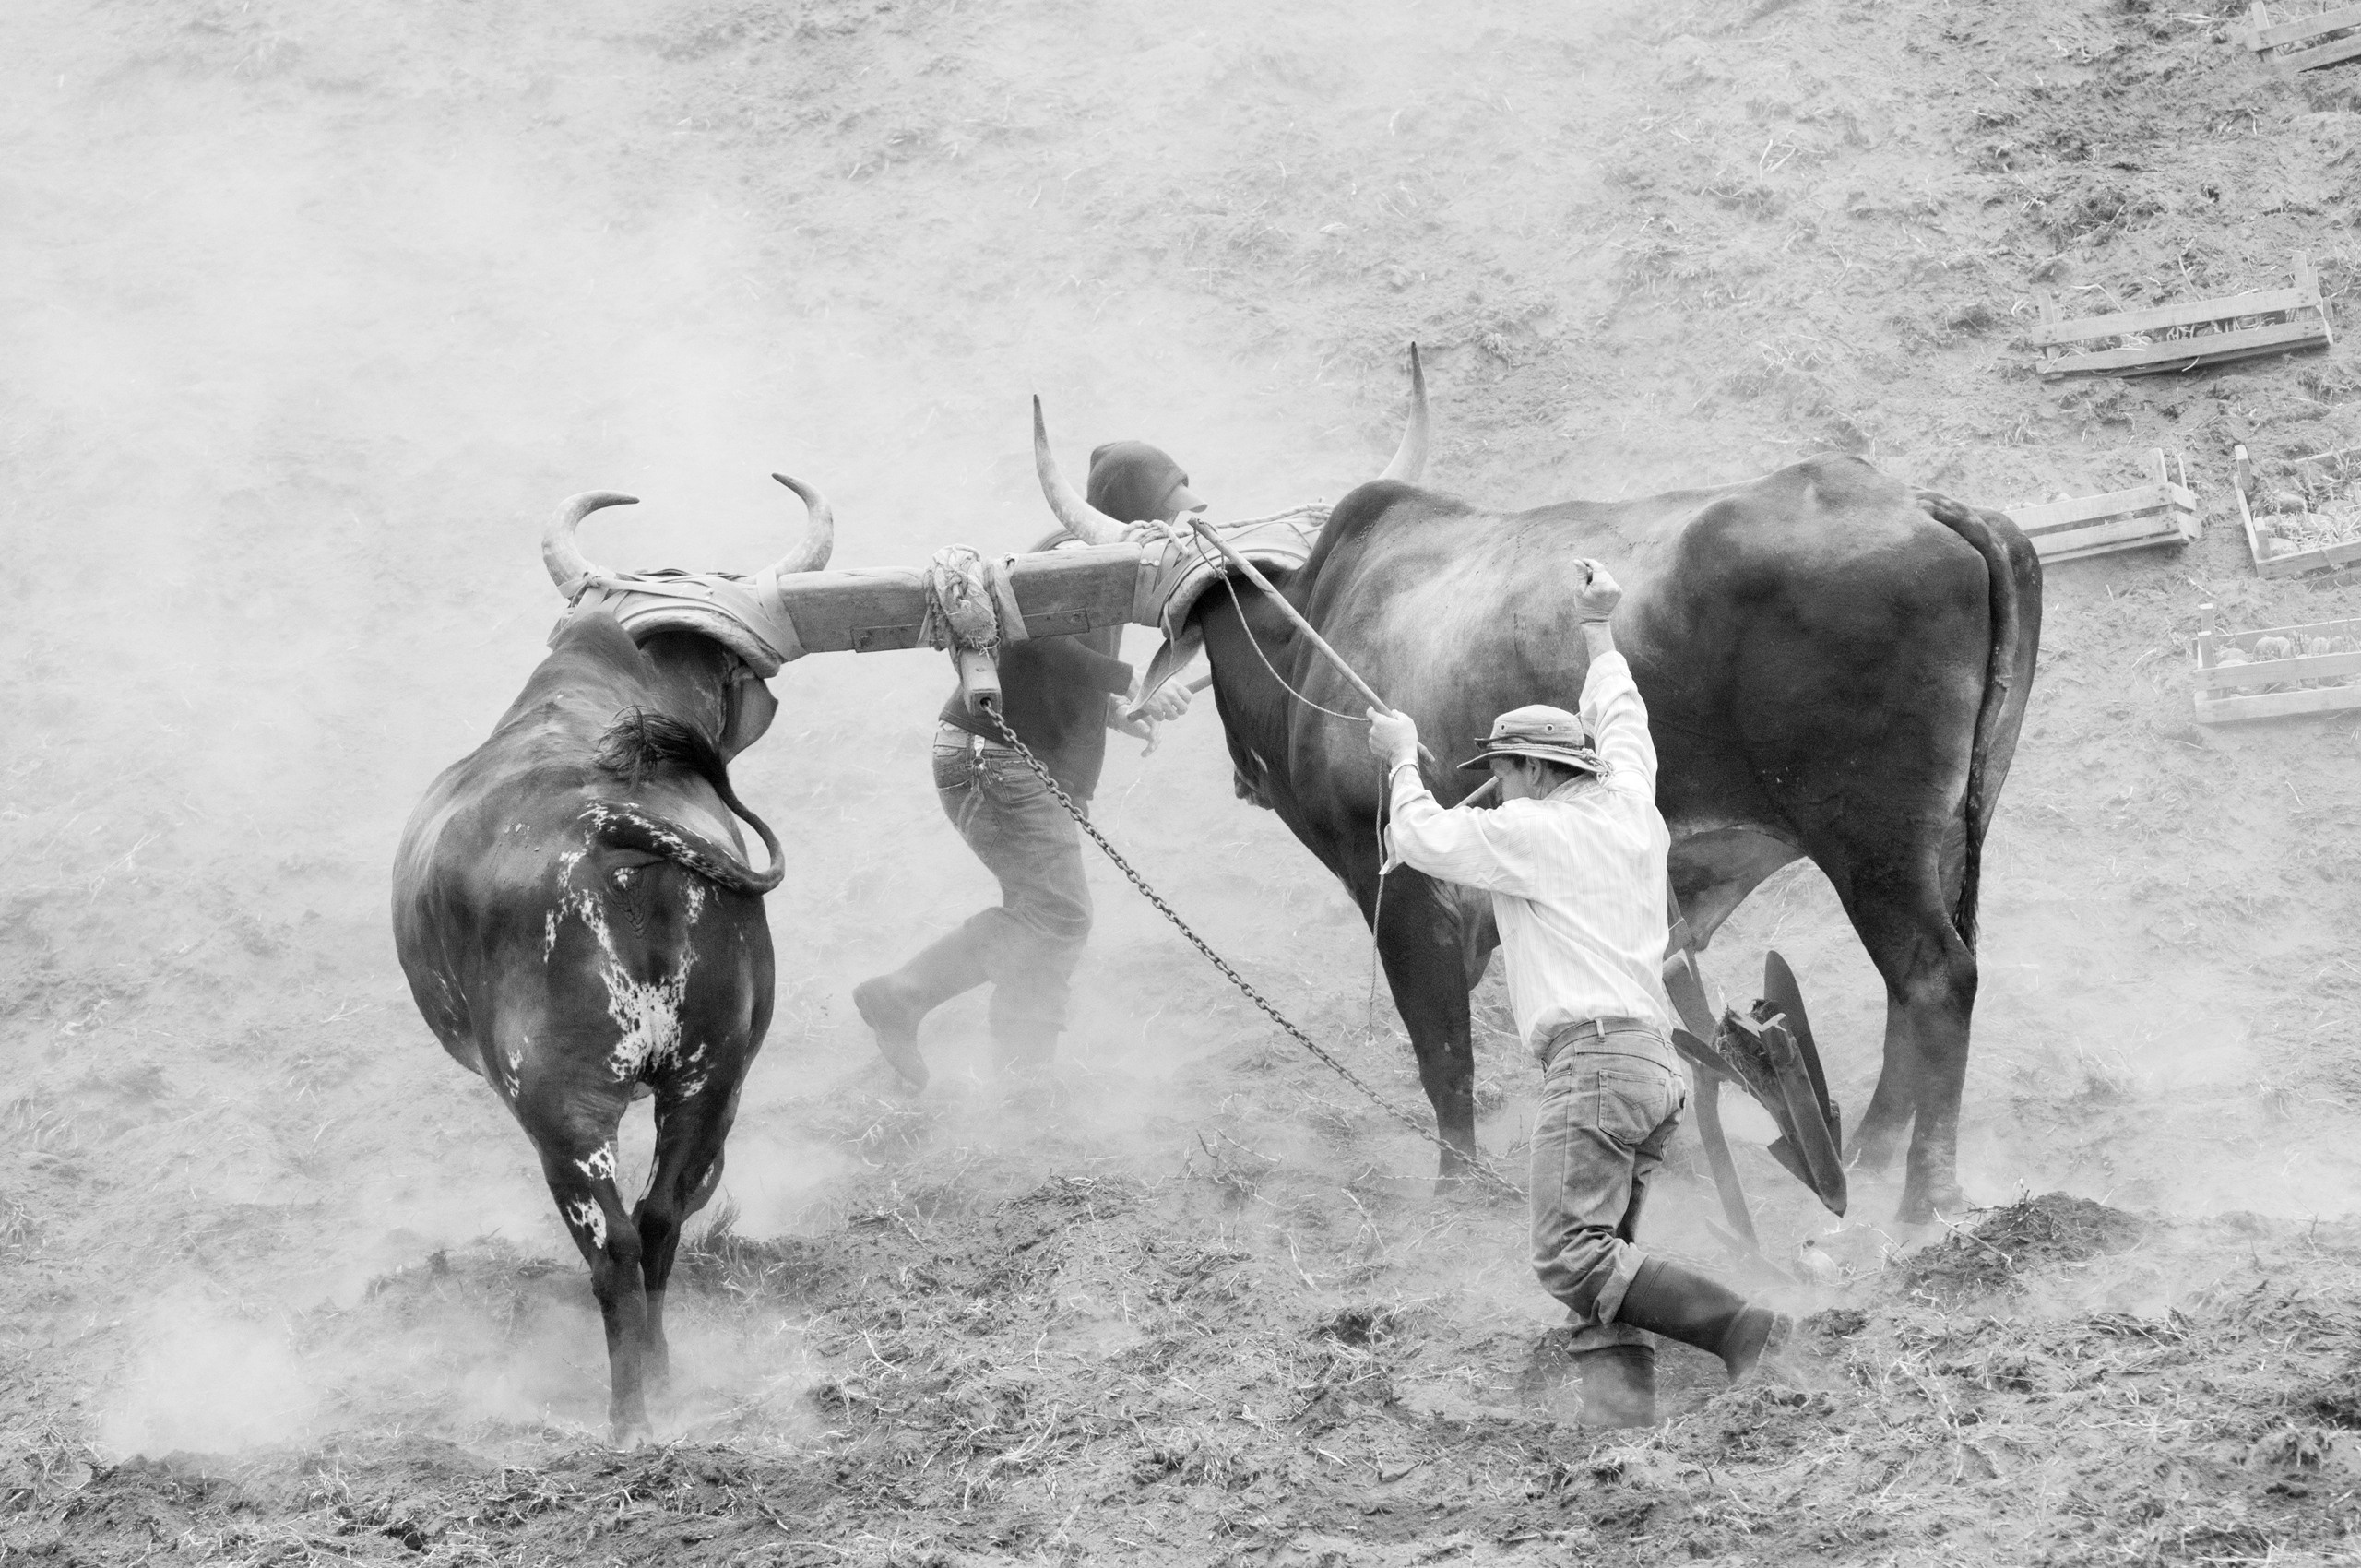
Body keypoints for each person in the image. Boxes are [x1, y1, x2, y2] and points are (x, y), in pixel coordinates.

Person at [1364, 560, 1787, 1428]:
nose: (1500, 786)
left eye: (1503, 771)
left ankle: (1745, 1329)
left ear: (1532, 768)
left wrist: (1402, 759)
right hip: (1652, 1066)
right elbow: (1623, 717)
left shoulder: (1530, 832)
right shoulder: (1632, 805)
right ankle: (1620, 1416)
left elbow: (1419, 839)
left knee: (1569, 1256)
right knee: (1607, 1245)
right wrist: (1598, 627)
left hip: (1593, 1064)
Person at [854, 442, 1200, 1087]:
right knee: (1058, 915)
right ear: (1131, 510)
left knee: (1041, 915)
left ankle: (1023, 1077)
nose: (1173, 529)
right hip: (998, 757)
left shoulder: (1105, 564)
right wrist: (1131, 681)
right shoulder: (1068, 555)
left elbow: (1050, 675)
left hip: (996, 757)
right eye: (1164, 514)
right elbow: (1036, 643)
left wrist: (1115, 712)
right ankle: (902, 996)